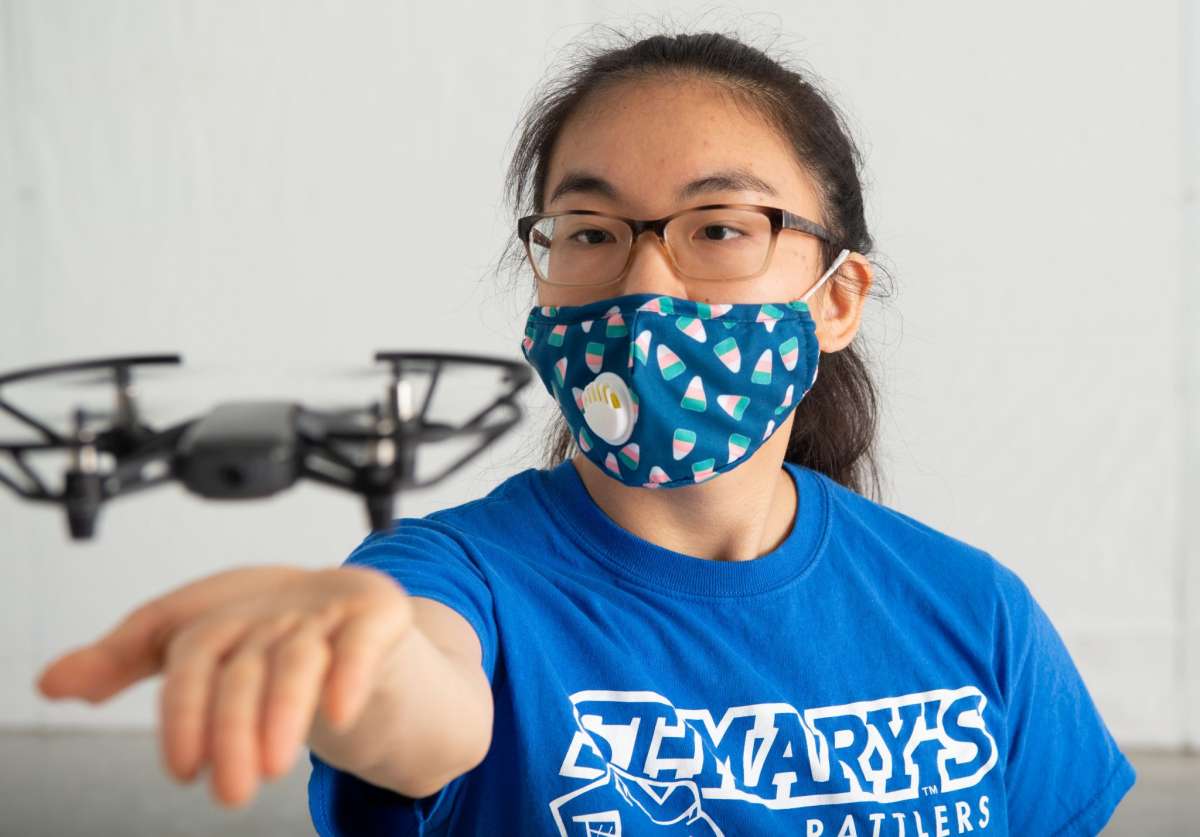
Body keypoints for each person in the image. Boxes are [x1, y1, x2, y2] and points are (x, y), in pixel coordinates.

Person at [34, 28, 1136, 837]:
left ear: (837, 299)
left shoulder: (972, 610)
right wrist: (356, 661)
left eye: (719, 227)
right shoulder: (452, 579)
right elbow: (425, 706)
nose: (646, 286)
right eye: (592, 231)